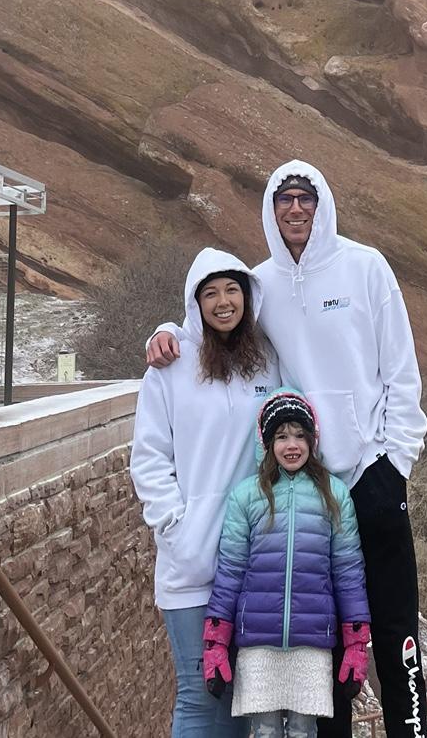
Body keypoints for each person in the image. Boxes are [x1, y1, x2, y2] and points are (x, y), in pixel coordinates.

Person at [148, 163, 427, 738]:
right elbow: (209, 321)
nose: (295, 209)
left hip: (372, 480)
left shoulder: (366, 267)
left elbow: (402, 373)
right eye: (284, 201)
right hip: (312, 493)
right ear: (271, 213)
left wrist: (395, 464)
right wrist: (162, 333)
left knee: (395, 632)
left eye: (305, 198)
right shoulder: (261, 283)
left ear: (322, 203)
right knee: (322, 647)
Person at [132, 247, 282, 738]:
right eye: (210, 292)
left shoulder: (266, 364)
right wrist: (176, 528)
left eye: (232, 290)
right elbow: (149, 458)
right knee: (200, 694)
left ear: (247, 296)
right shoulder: (170, 366)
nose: (223, 302)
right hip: (192, 564)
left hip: (253, 559)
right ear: (194, 303)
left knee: (243, 697)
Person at [201, 390, 371, 737]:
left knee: (303, 730)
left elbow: (349, 574)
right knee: (263, 731)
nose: (291, 445)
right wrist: (215, 643)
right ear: (267, 442)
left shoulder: (335, 495)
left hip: (312, 642)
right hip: (258, 643)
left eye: (299, 435)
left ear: (312, 440)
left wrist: (356, 645)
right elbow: (230, 572)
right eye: (281, 436)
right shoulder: (246, 496)